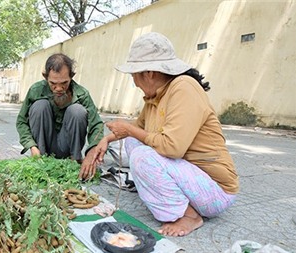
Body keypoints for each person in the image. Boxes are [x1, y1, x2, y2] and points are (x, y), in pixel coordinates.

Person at [92, 32, 239, 237]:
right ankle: (174, 199)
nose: (134, 82)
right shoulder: (156, 97)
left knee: (142, 156)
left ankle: (189, 216)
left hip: (215, 191)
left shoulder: (183, 87)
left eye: (134, 74)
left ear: (150, 72)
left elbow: (173, 147)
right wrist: (106, 139)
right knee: (133, 142)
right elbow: (136, 128)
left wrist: (130, 130)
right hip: (189, 178)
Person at [16, 53, 104, 179]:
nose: (58, 88)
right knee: (39, 106)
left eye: (64, 83)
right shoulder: (36, 90)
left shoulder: (82, 94)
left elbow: (97, 125)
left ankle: (74, 161)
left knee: (77, 111)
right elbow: (21, 121)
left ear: (71, 77)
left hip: (68, 147)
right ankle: (41, 161)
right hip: (43, 146)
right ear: (45, 77)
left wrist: (92, 152)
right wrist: (31, 146)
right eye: (53, 83)